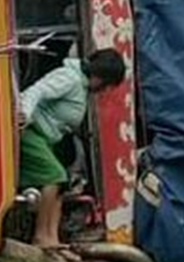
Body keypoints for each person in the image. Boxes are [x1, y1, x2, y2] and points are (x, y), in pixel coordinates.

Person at [18, 48, 126, 250]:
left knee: (61, 184)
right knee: (53, 176)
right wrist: (24, 113)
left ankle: (52, 238)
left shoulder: (81, 86)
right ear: (100, 77)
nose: (105, 91)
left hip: (47, 138)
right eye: (108, 85)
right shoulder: (70, 78)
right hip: (33, 132)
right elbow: (37, 90)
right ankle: (40, 236)